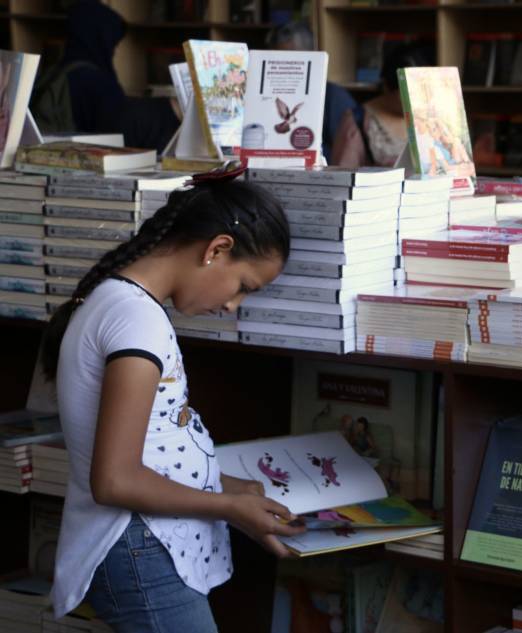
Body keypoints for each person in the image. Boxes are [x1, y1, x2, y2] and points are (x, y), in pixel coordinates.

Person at [41, 172, 305, 631]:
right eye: (243, 285)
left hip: (145, 545)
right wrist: (228, 507)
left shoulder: (126, 307)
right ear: (217, 249)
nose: (232, 305)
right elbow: (115, 480)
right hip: (140, 548)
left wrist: (223, 483)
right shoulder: (135, 320)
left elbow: (151, 447)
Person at [32, 1, 180, 152]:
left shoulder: (54, 71)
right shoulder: (96, 81)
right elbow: (121, 127)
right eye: (113, 45)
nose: (113, 52)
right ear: (100, 39)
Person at [332, 41, 435, 168]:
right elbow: (343, 175)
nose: (415, 102)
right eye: (407, 95)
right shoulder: (357, 120)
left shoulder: (431, 116)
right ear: (387, 87)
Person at [266, 20, 357, 163]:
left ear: (310, 56)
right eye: (275, 59)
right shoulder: (265, 96)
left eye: (290, 59)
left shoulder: (334, 97)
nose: (281, 67)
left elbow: (345, 156)